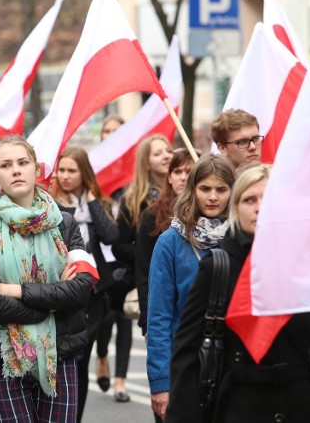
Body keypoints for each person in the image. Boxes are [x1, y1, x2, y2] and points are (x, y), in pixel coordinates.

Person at [167, 165, 310, 423]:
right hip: (242, 406)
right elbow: (187, 353)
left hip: (307, 406)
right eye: (249, 200)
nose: (259, 207)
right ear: (236, 209)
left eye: (268, 198)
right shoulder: (218, 267)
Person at [0, 136, 92, 423]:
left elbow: (81, 289)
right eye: (6, 165)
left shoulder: (66, 223)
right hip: (1, 357)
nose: (16, 170)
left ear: (36, 169)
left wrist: (18, 291)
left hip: (59, 352)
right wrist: (51, 301)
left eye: (23, 163)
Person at [147, 154, 235, 422]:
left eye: (221, 189)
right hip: (186, 362)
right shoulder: (171, 242)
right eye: (205, 188)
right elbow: (159, 317)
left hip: (235, 364)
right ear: (193, 189)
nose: (213, 197)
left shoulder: (241, 238)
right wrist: (161, 383)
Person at [96, 135, 173, 403]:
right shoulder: (134, 199)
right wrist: (147, 253)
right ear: (146, 163)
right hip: (147, 282)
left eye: (168, 150)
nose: (166, 155)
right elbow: (118, 244)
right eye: (157, 153)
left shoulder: (188, 194)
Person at [51, 146, 118, 421]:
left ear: (84, 173)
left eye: (72, 170)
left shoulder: (95, 201)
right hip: (65, 291)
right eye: (62, 170)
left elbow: (112, 235)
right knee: (67, 361)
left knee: (83, 358)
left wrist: (90, 201)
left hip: (94, 294)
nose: (65, 176)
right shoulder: (52, 203)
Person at [136, 149, 196, 337]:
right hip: (164, 314)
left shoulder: (210, 216)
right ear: (169, 177)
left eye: (189, 172)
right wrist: (148, 321)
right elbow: (144, 272)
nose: (183, 178)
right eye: (177, 172)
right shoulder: (151, 216)